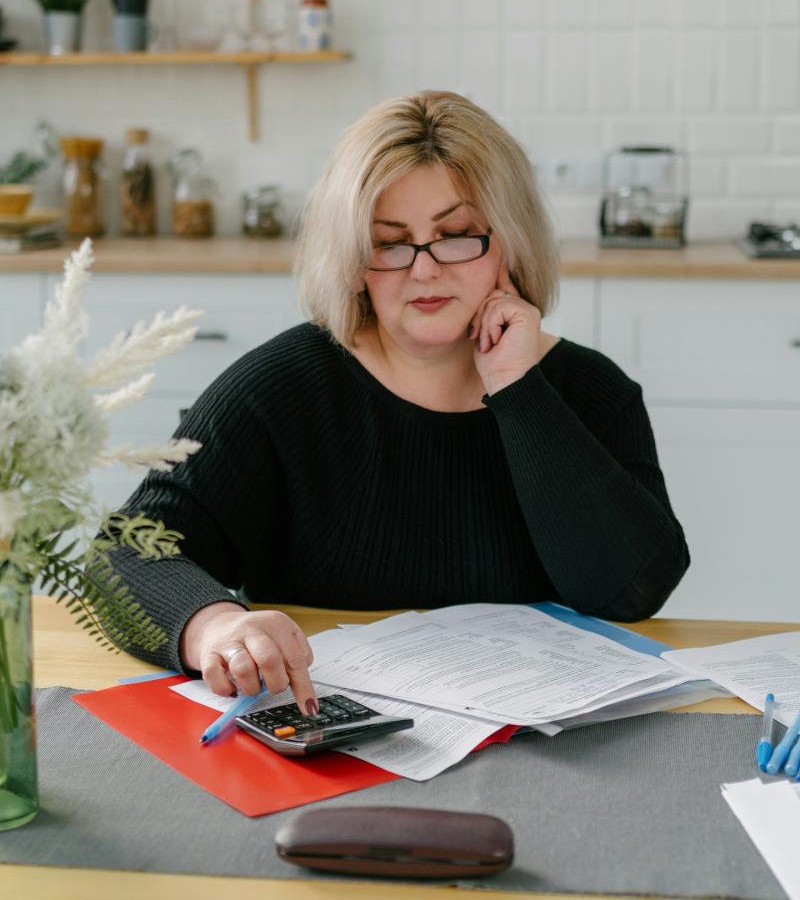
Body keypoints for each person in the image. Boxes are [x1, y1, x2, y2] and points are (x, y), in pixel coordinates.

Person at [100, 90, 689, 718]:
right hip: (333, 736)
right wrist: (215, 625)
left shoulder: (593, 391)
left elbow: (634, 592)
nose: (424, 270)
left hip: (544, 738)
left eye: (456, 235)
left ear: (511, 244)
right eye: (389, 243)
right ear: (354, 262)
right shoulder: (278, 388)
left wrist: (518, 390)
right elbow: (120, 557)